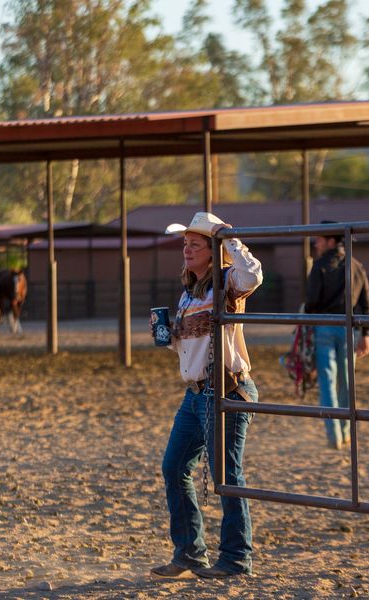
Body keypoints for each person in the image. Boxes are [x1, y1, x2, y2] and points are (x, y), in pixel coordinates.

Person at [150, 212, 262, 579]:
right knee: (175, 467)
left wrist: (229, 237)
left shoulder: (228, 282)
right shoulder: (189, 293)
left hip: (226, 387)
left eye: (195, 245)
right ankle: (189, 552)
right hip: (197, 392)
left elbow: (253, 275)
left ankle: (235, 557)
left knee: (225, 474)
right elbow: (189, 348)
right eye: (186, 244)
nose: (187, 249)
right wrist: (168, 335)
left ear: (213, 253)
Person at [304, 220, 369, 449]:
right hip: (349, 328)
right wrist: (366, 334)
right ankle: (345, 432)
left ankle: (333, 434)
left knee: (327, 380)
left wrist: (308, 322)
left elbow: (312, 300)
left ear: (331, 241)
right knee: (346, 381)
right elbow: (366, 302)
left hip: (324, 326)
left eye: (320, 240)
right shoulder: (356, 265)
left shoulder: (320, 265)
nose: (316, 244)